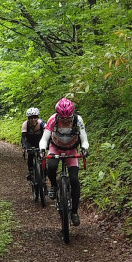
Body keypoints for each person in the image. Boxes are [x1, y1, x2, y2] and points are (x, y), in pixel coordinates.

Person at [39, 97, 89, 227]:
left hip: (71, 150)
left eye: (68, 118)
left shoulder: (78, 120)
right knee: (51, 166)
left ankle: (74, 212)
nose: (66, 121)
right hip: (56, 147)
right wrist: (42, 149)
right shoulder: (53, 119)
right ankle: (54, 186)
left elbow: (84, 139)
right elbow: (44, 138)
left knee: (74, 180)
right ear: (58, 115)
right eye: (63, 118)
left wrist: (84, 149)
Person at [20, 108, 45, 182]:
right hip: (30, 142)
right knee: (31, 153)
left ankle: (44, 176)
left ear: (38, 117)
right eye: (31, 118)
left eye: (35, 117)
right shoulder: (25, 124)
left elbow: (47, 134)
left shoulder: (41, 123)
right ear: (28, 118)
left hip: (40, 142)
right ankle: (30, 171)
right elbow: (23, 137)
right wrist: (24, 146)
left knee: (43, 157)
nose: (33, 119)